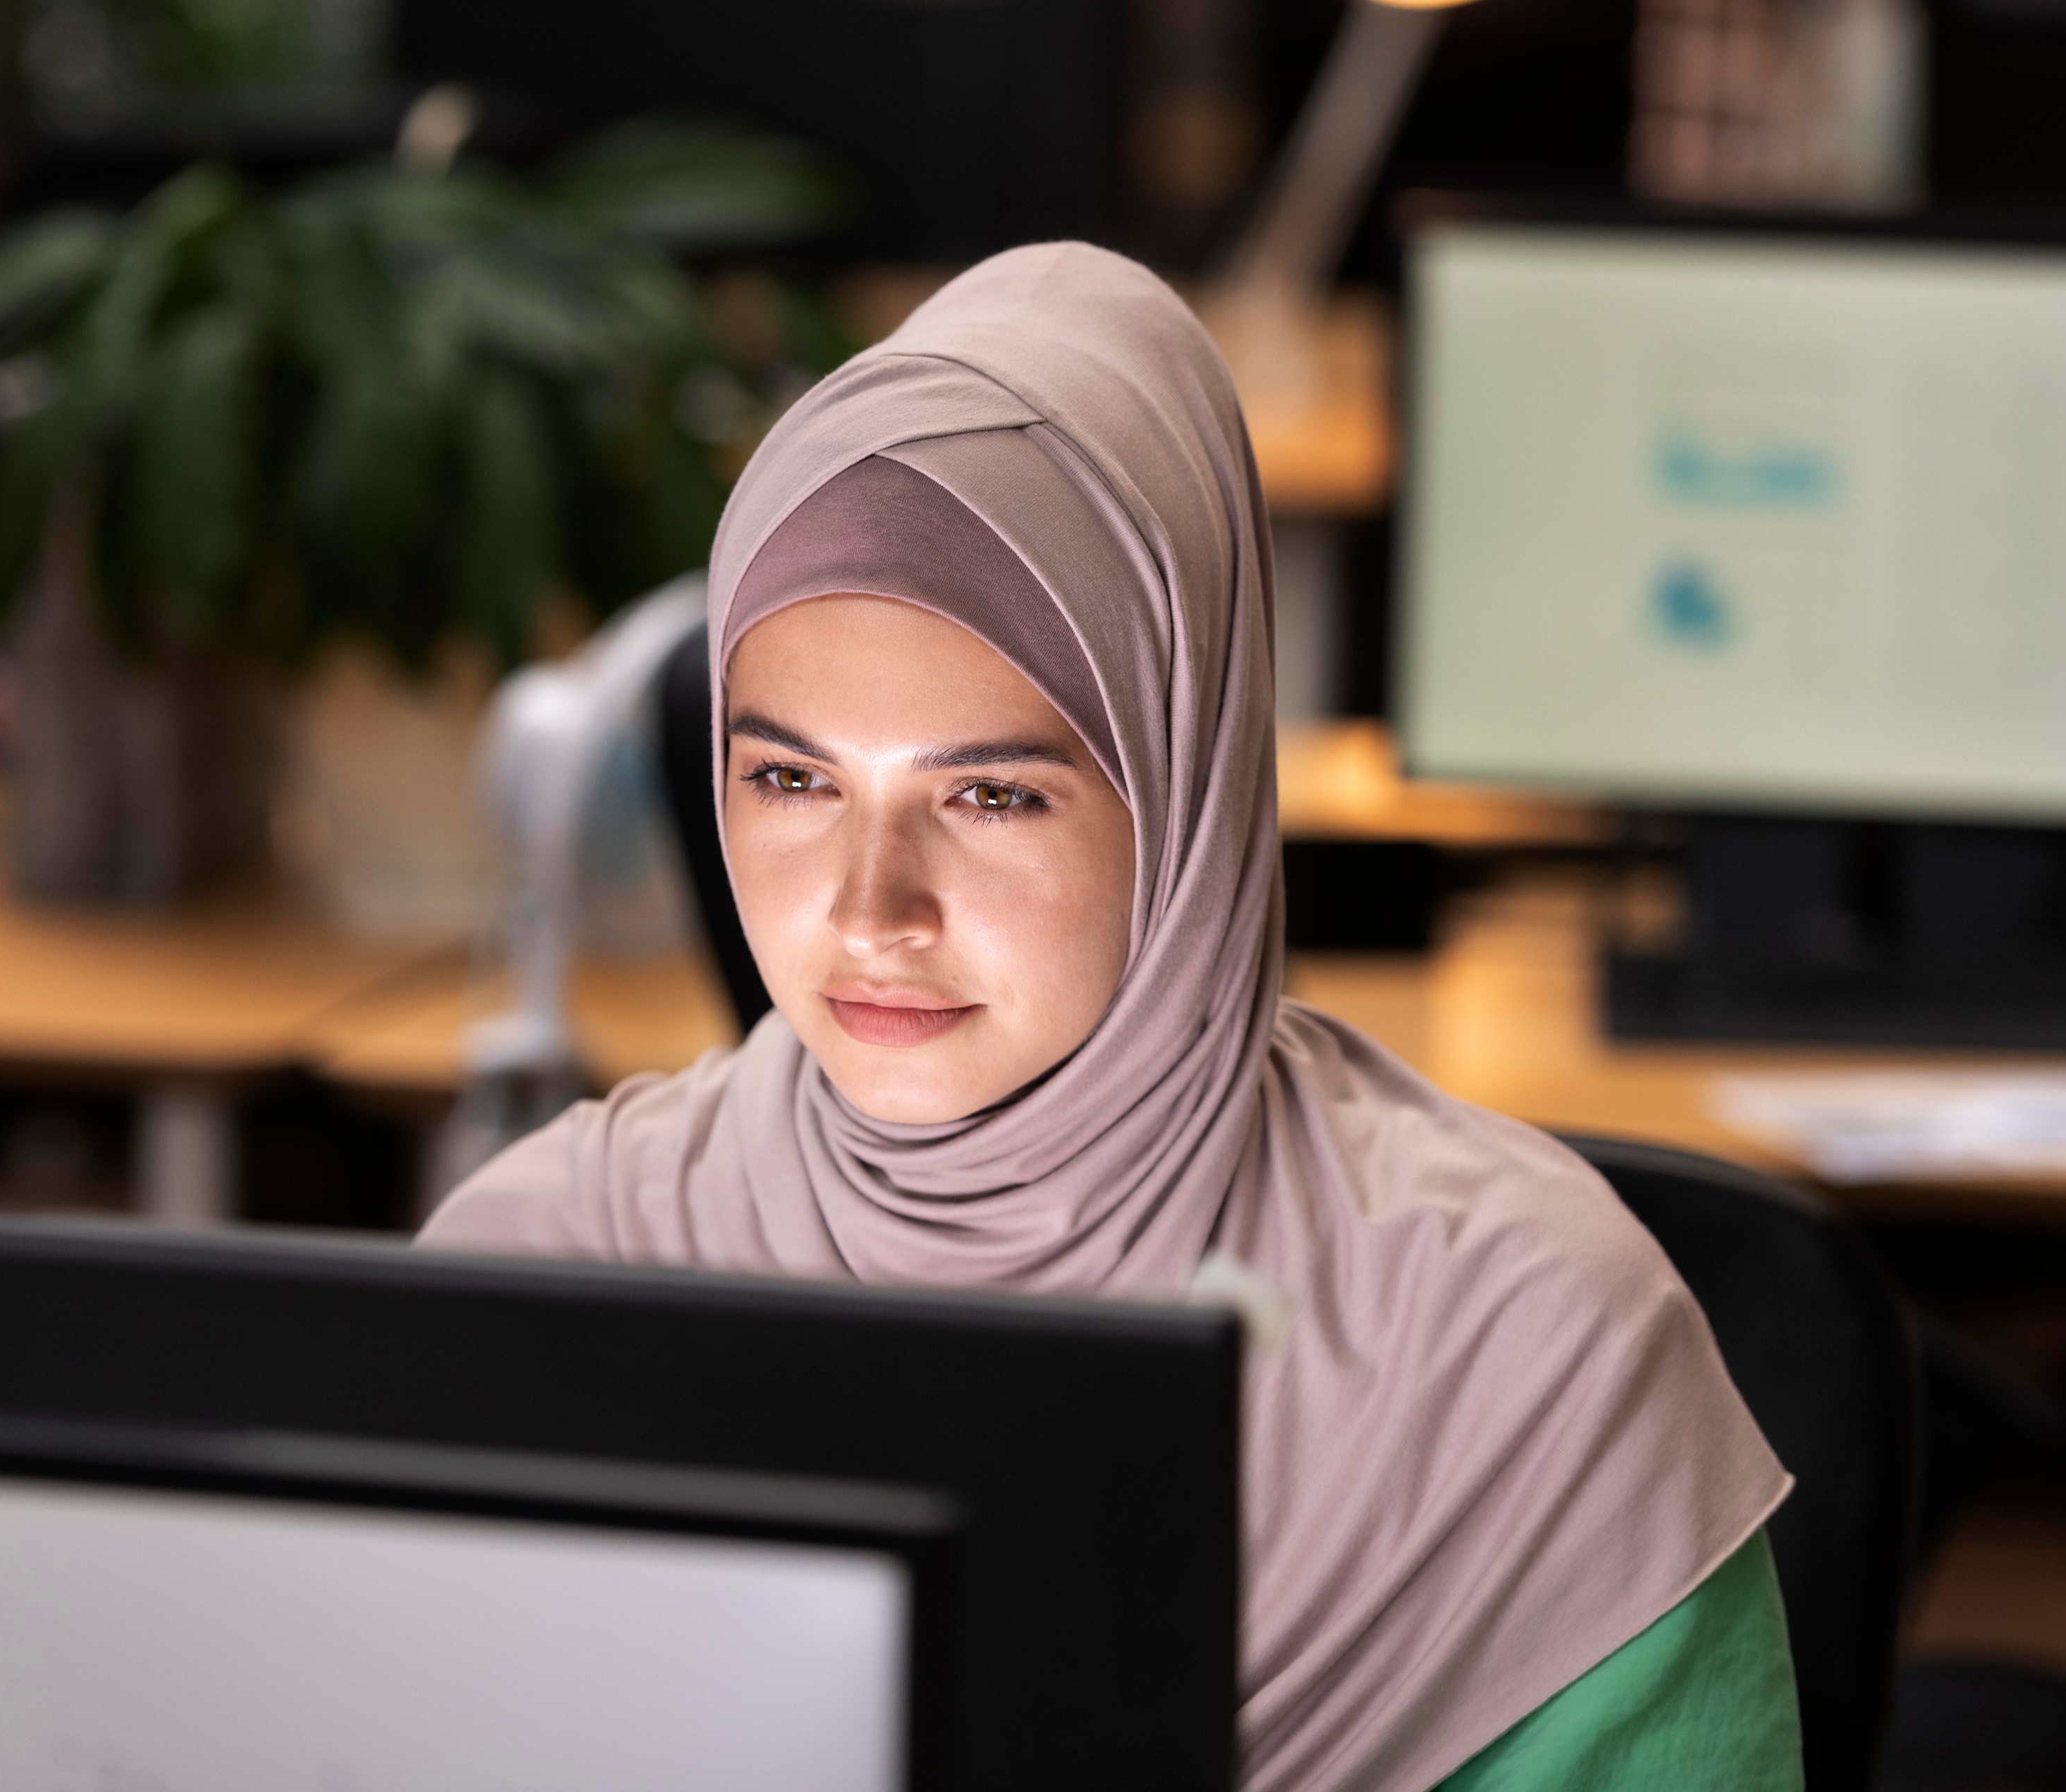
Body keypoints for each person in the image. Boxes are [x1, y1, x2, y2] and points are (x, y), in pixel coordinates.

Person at [419, 242, 1800, 1791]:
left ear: (1187, 794)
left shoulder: (1530, 1357)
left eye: (993, 795)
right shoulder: (552, 1263)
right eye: (792, 779)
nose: (872, 911)